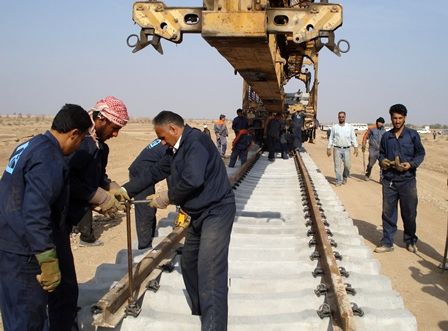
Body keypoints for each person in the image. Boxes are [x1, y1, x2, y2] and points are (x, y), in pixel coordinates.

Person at [0, 104, 92, 331]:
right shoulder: (50, 158)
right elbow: (35, 212)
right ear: (74, 134)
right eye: (81, 140)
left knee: (14, 315)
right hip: (25, 252)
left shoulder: (29, 145)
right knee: (29, 320)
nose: (79, 146)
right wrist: (47, 258)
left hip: (7, 243)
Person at [147, 111, 235, 331]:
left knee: (210, 269)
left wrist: (167, 196)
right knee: (189, 263)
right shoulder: (175, 149)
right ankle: (202, 310)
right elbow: (156, 171)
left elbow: (193, 180)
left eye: (162, 137)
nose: (161, 141)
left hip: (216, 210)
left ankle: (213, 325)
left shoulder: (195, 143)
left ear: (173, 129)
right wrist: (123, 191)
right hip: (198, 214)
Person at [67, 96, 129, 247]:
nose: (115, 134)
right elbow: (67, 179)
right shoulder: (81, 144)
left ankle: (86, 236)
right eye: (114, 128)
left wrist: (110, 186)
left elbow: (98, 175)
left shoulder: (100, 147)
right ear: (101, 119)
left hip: (83, 196)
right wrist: (99, 197)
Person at [374, 104, 425, 253]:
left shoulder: (413, 135)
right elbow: (381, 154)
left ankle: (410, 240)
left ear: (405, 118)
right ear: (391, 118)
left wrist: (411, 164)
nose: (397, 121)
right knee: (388, 213)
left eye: (400, 118)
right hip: (389, 180)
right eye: (395, 118)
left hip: (407, 181)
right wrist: (382, 161)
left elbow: (420, 154)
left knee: (409, 213)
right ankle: (387, 242)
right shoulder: (386, 136)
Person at [117, 139, 170, 249]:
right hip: (141, 174)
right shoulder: (171, 145)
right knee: (145, 211)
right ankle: (144, 248)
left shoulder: (169, 140)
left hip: (148, 171)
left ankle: (151, 238)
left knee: (151, 206)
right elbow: (173, 173)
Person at [327, 111, 359, 186]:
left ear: (345, 117)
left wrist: (356, 147)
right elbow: (331, 138)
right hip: (337, 149)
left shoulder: (349, 127)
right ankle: (338, 180)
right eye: (340, 117)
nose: (341, 118)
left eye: (342, 117)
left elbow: (353, 137)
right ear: (338, 118)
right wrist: (329, 148)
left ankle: (345, 176)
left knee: (348, 166)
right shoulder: (335, 127)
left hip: (347, 149)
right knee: (337, 166)